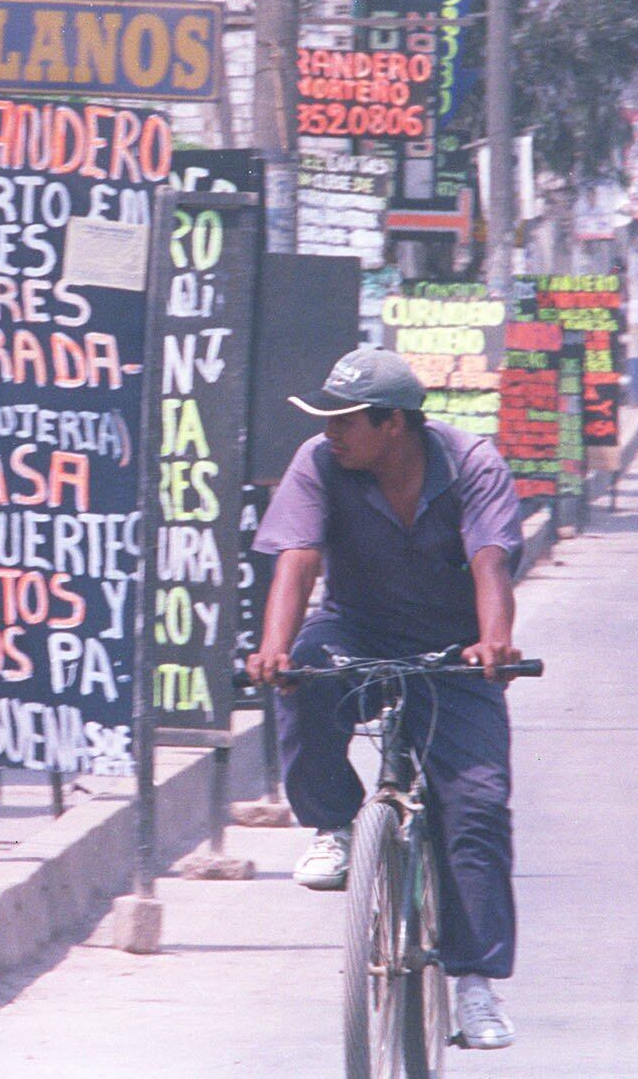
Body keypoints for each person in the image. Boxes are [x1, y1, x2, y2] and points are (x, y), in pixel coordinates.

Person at [245, 344, 528, 1051]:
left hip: (452, 648)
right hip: (357, 627)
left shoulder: (471, 465)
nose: (330, 433)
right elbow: (298, 557)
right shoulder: (318, 463)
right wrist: (273, 648)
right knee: (304, 674)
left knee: (477, 806)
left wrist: (493, 644)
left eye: (345, 421)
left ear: (393, 424)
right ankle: (333, 825)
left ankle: (472, 986)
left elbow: (490, 559)